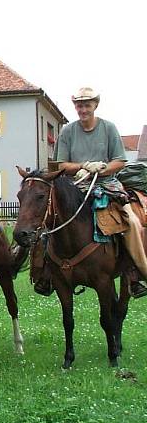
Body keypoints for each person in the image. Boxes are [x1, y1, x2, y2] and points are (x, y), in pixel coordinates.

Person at [47, 86, 147, 298]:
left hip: (107, 184)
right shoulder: (67, 131)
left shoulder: (108, 128)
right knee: (47, 220)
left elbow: (120, 161)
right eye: (79, 105)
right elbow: (60, 165)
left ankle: (136, 272)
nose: (83, 109)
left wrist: (102, 168)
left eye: (87, 105)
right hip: (75, 186)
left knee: (131, 222)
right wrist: (84, 165)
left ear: (95, 105)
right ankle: (44, 273)